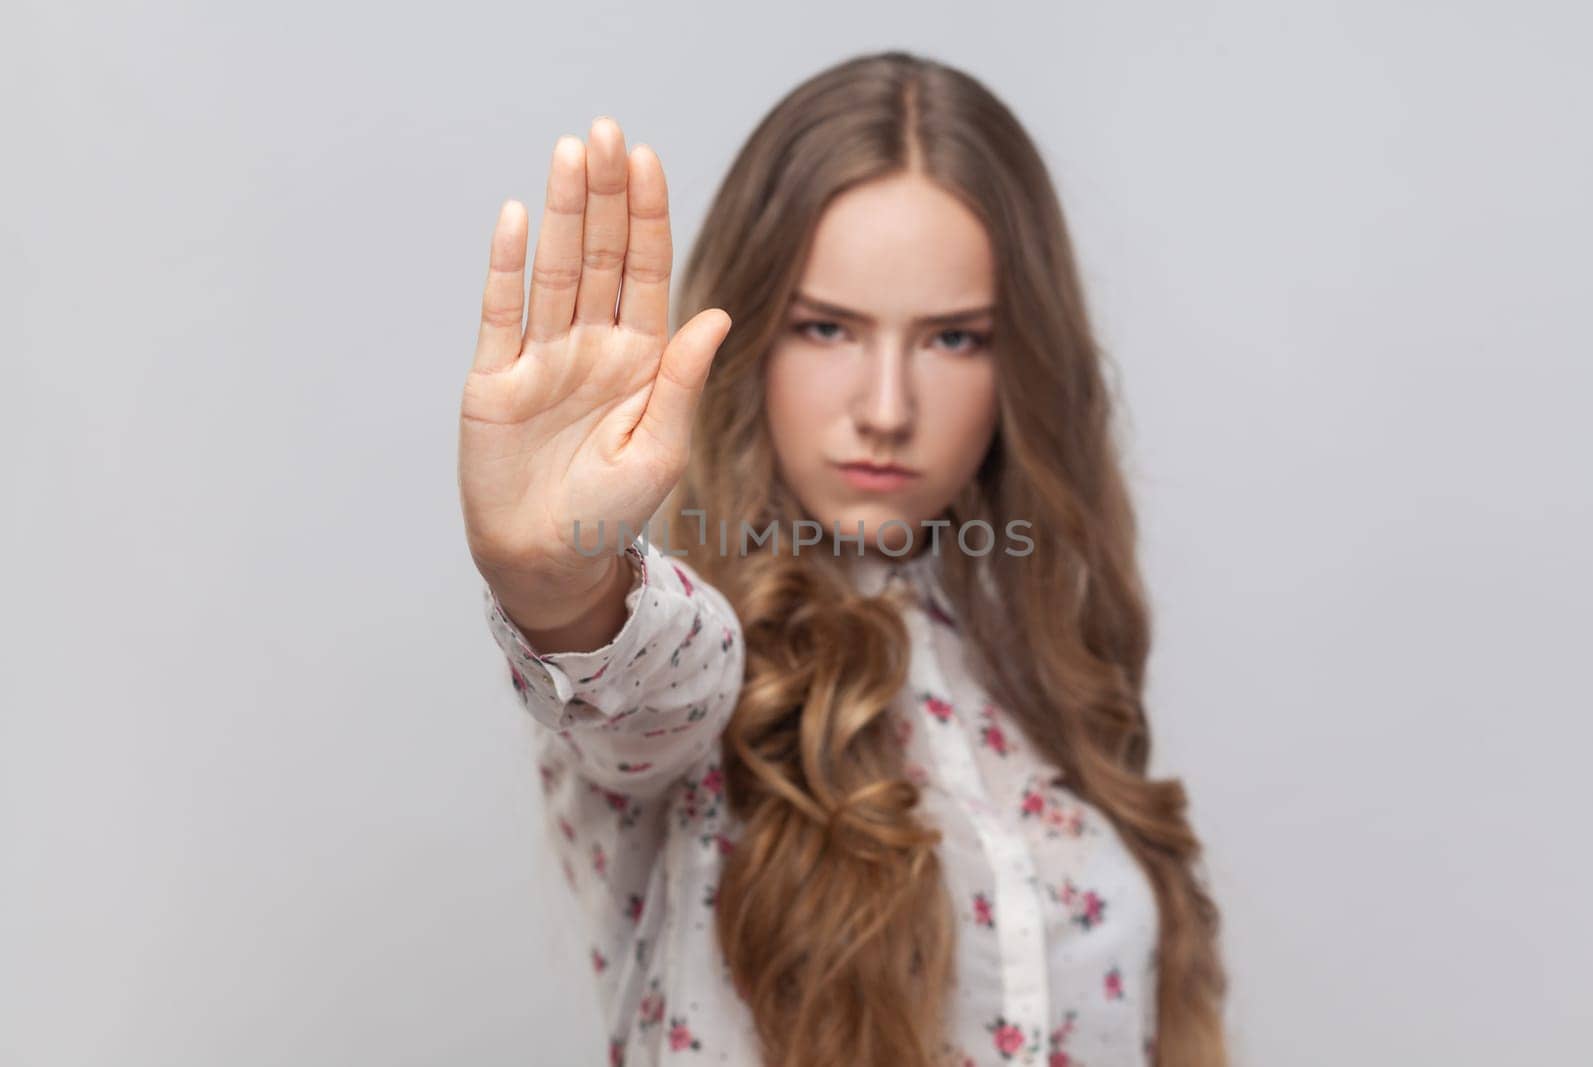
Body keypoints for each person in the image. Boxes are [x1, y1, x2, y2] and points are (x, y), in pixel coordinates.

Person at [457, 50, 1226, 1067]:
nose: (886, 408)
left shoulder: (1043, 670)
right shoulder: (697, 665)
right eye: (826, 327)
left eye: (952, 339)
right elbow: (640, 676)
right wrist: (561, 583)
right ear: (750, 336)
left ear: (1020, 359)